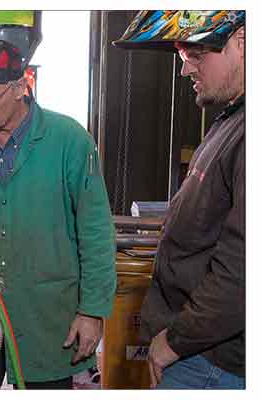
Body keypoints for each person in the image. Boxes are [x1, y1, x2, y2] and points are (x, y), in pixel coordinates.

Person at [0, 39, 117, 388]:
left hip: (49, 322)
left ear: (20, 87)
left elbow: (95, 232)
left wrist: (92, 312)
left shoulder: (69, 141)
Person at [113, 10, 245, 389]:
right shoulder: (233, 119)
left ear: (243, 40)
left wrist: (174, 342)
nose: (185, 70)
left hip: (212, 362)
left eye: (196, 55)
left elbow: (243, 271)